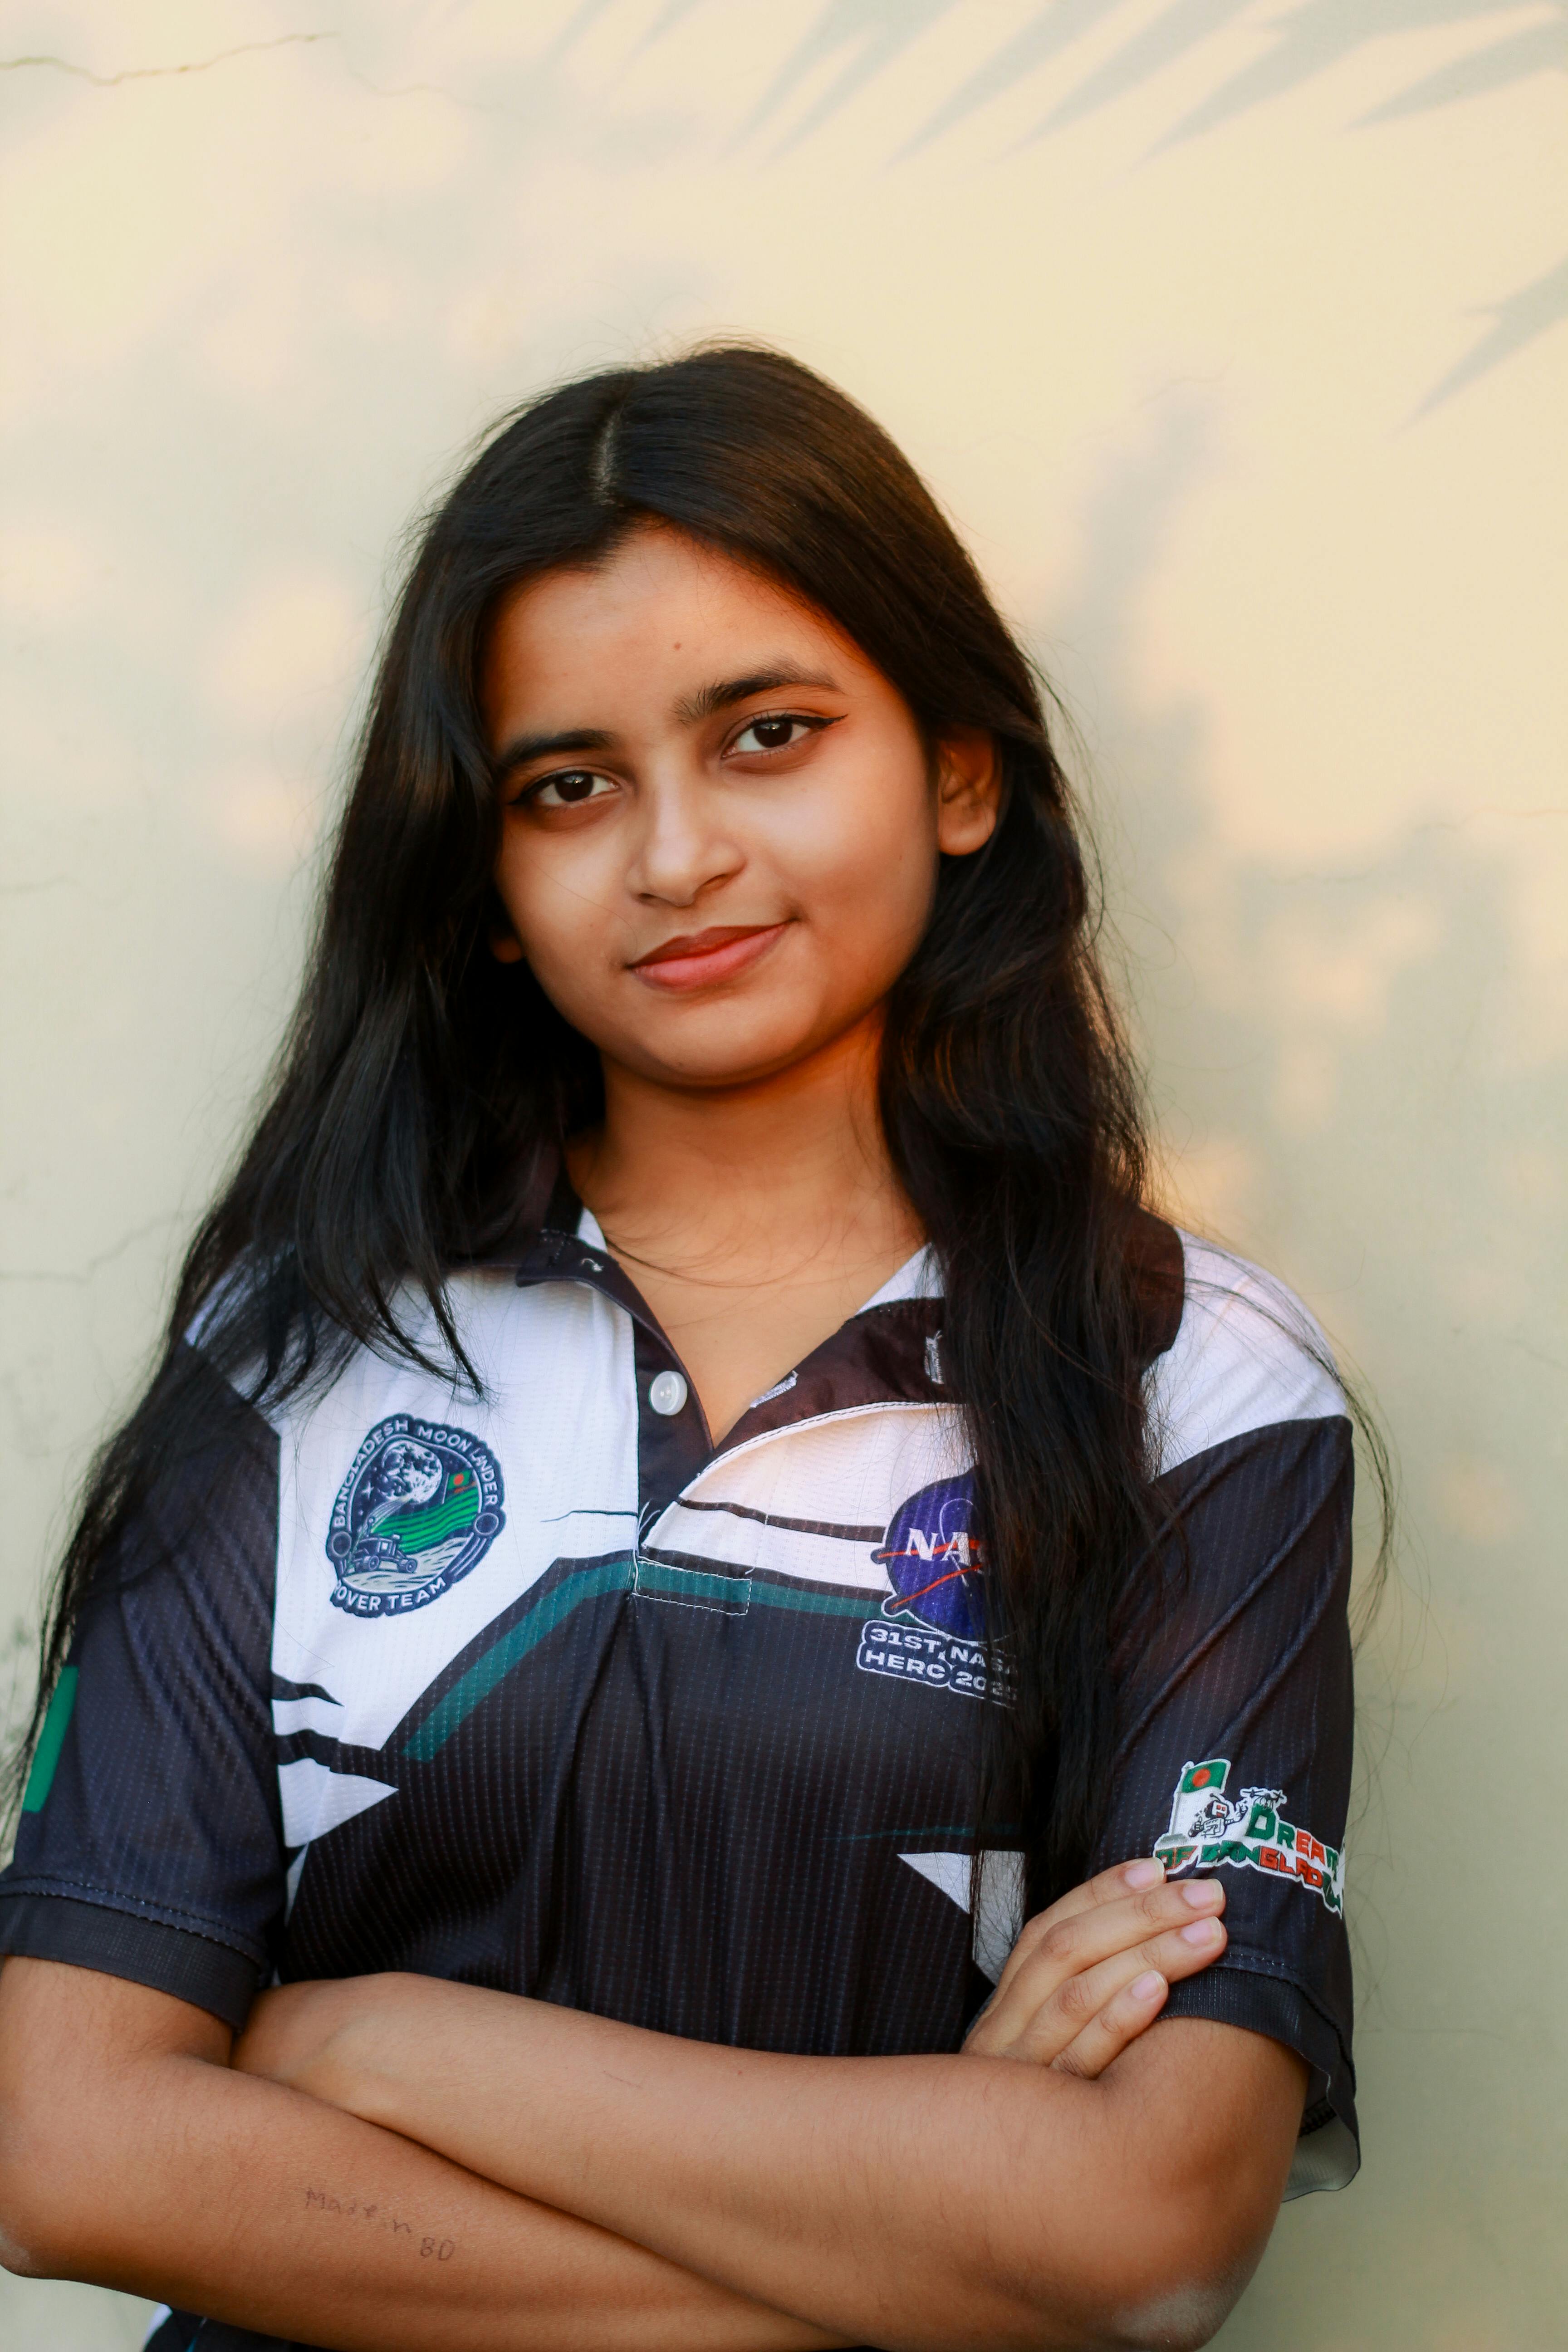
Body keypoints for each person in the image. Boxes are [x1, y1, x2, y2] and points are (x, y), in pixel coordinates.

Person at [0, 347, 1362, 2352]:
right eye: (569, 786)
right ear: (485, 882)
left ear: (961, 772)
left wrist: (377, 2046)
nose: (675, 857)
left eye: (767, 737)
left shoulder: (1199, 1387)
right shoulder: (301, 1353)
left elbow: (1152, 2228)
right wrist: (938, 2241)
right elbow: (70, 2151)